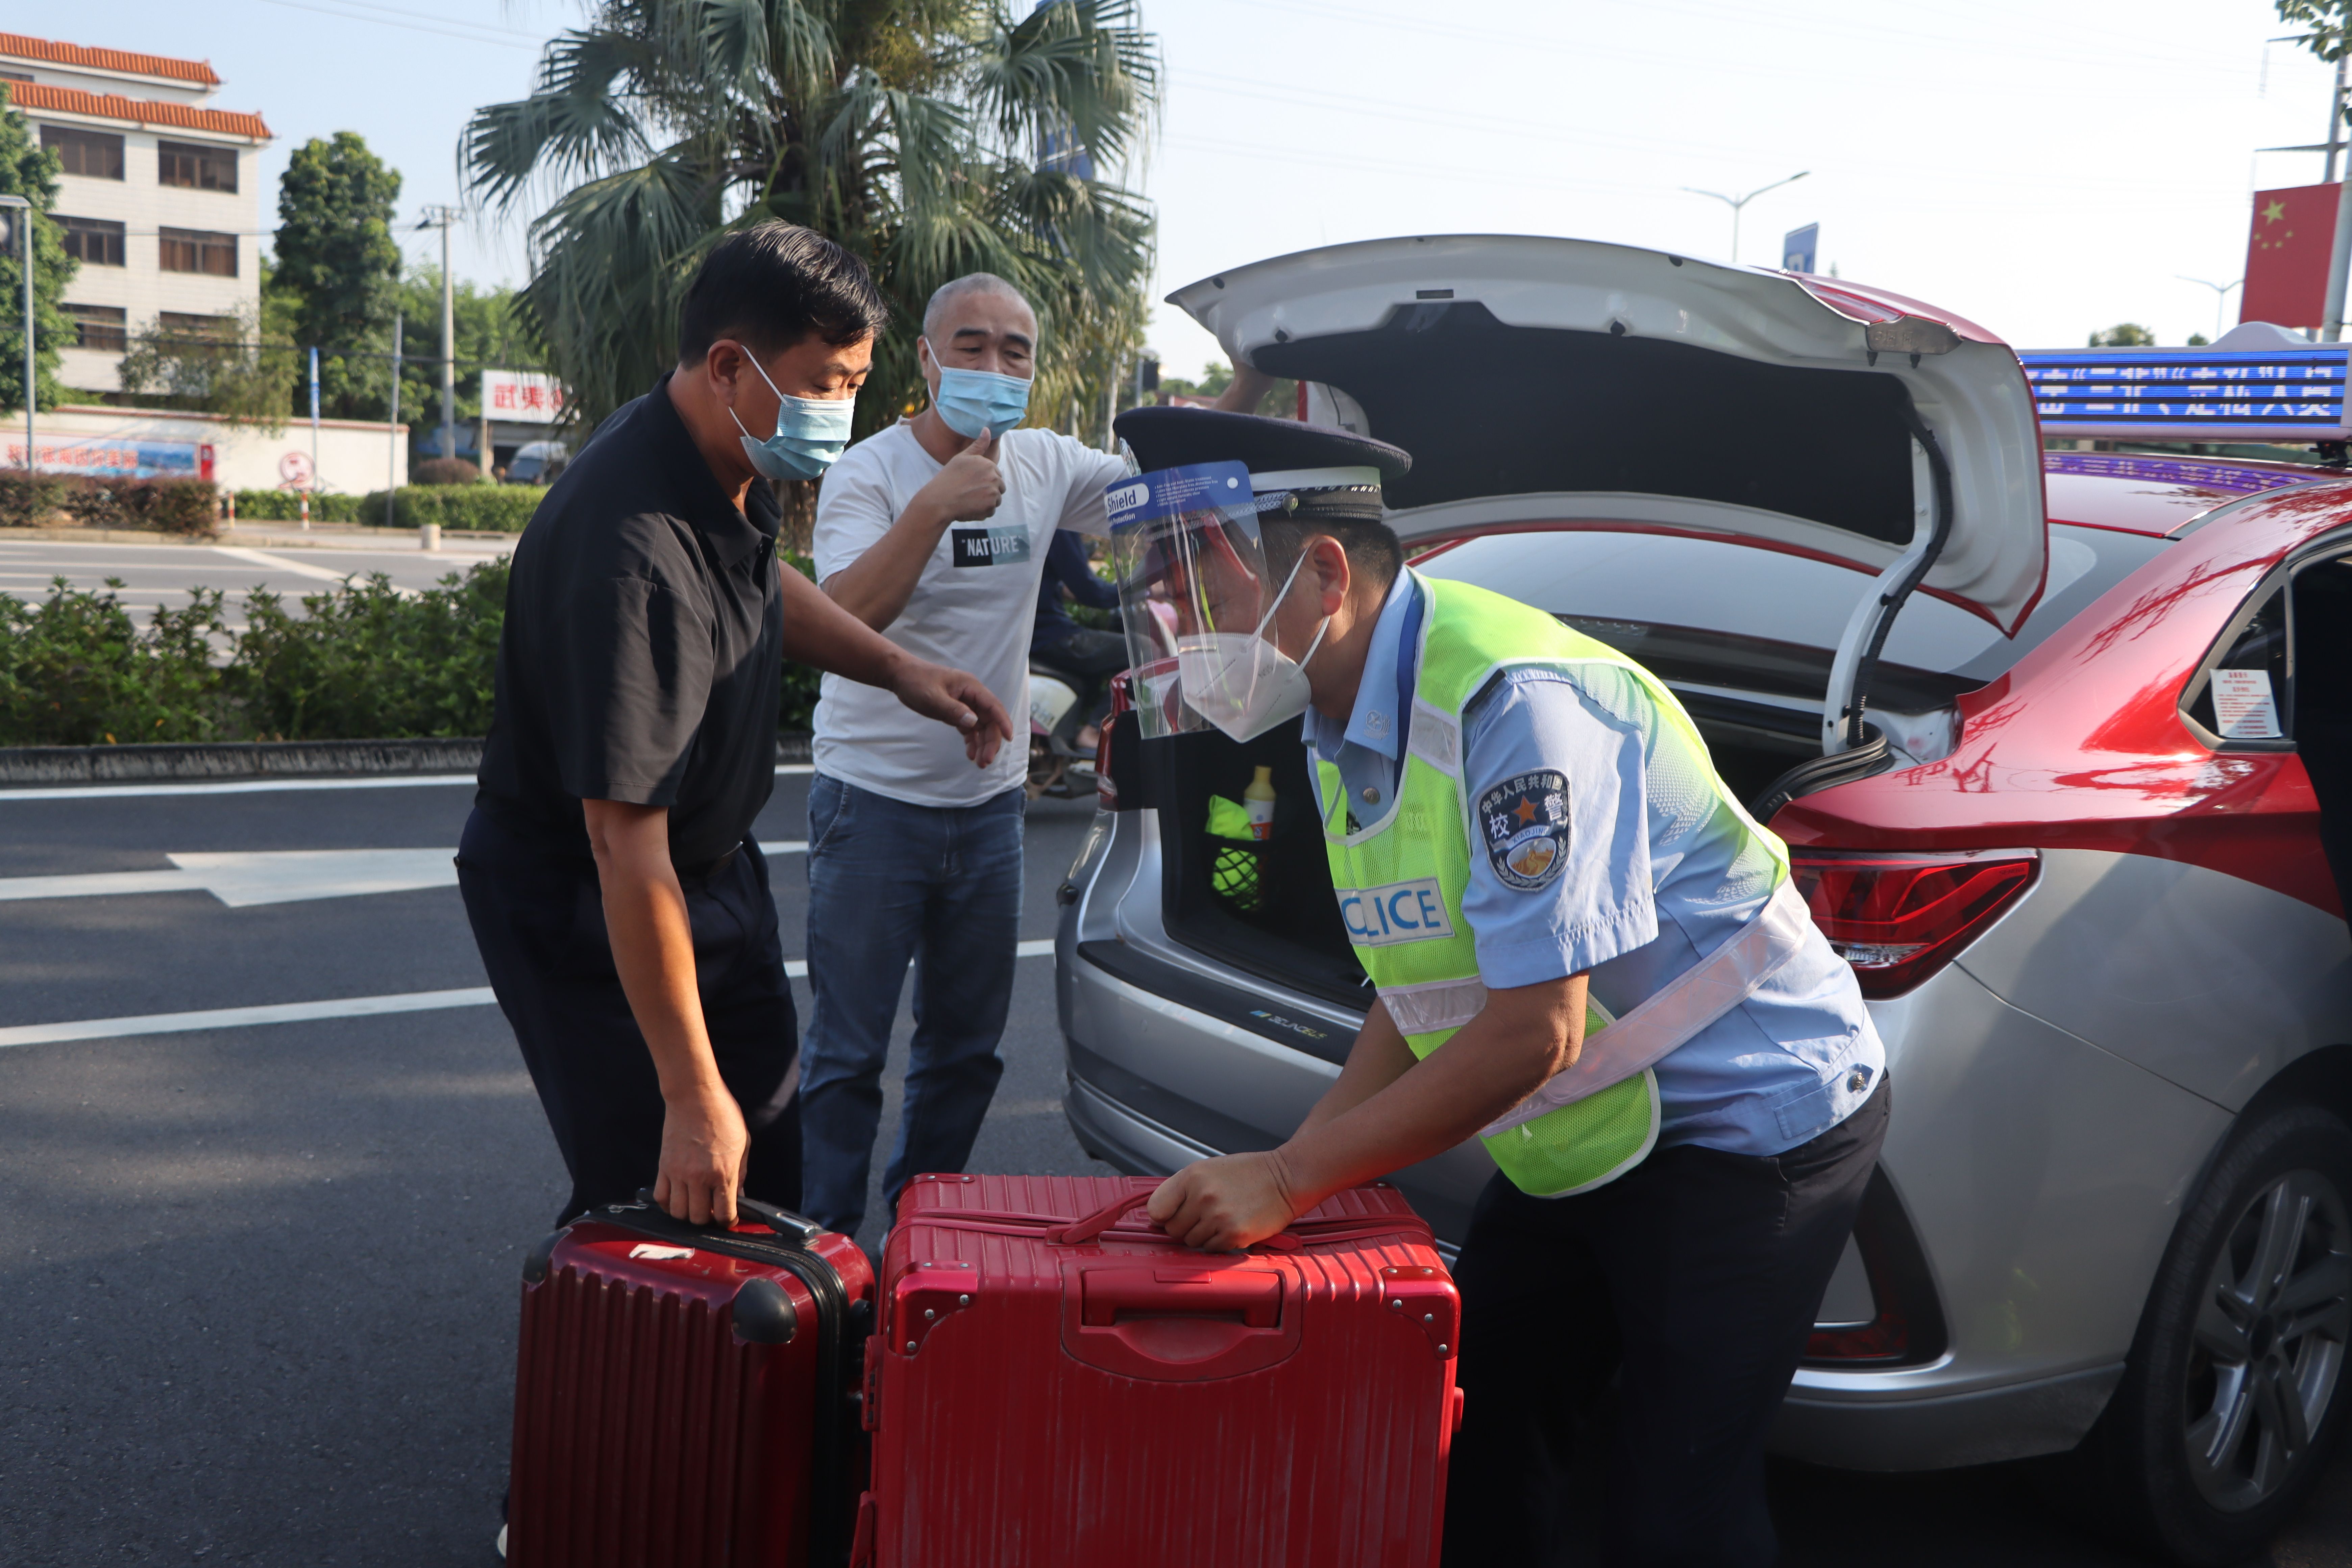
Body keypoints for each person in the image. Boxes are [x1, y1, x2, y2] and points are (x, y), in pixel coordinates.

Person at [1121, 407, 1890, 1568]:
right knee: (1477, 1444)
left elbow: (1534, 1032)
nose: (1179, 630)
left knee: (1673, 1517)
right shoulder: (1334, 705)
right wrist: (1296, 1172)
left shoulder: (1512, 701)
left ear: (1324, 575)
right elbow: (1423, 979)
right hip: (1588, 1126)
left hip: (1750, 1122)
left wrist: (1288, 1178)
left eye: (1200, 591)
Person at [457, 223, 1012, 1233]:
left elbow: (758, 579)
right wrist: (686, 1092)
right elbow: (622, 844)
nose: (840, 412)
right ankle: (638, 1323)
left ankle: (765, 1316)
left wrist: (897, 668)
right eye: (826, 384)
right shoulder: (631, 557)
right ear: (728, 366)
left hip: (710, 870)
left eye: (855, 384)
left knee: (767, 1154)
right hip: (593, 900)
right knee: (664, 1191)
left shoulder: (706, 454)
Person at [797, 272, 1134, 1241]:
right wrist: (935, 507)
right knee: (847, 1054)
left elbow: (1162, 501)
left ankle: (920, 1238)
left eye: (1014, 351)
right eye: (972, 345)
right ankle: (825, 1254)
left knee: (965, 1053)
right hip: (872, 802)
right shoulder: (870, 473)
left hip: (990, 811)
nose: (994, 365)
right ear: (927, 359)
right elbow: (844, 616)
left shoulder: (1047, 463)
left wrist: (1238, 399)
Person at [1031, 529, 1124, 751]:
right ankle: (1094, 731)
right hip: (1049, 634)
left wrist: (1061, 588)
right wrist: (1133, 589)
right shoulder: (1059, 524)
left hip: (1029, 633)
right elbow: (1090, 591)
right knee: (1139, 650)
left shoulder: (1029, 519)